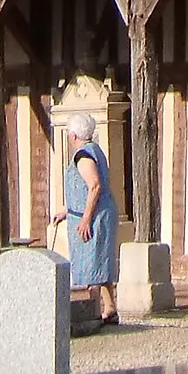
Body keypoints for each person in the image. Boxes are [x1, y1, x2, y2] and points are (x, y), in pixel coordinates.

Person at [59, 110, 117, 324]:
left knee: (91, 263)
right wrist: (67, 211)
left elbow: (94, 185)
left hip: (94, 217)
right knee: (99, 262)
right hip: (97, 212)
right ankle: (109, 309)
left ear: (73, 135)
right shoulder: (94, 150)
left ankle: (91, 311)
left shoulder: (83, 155)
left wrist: (85, 219)